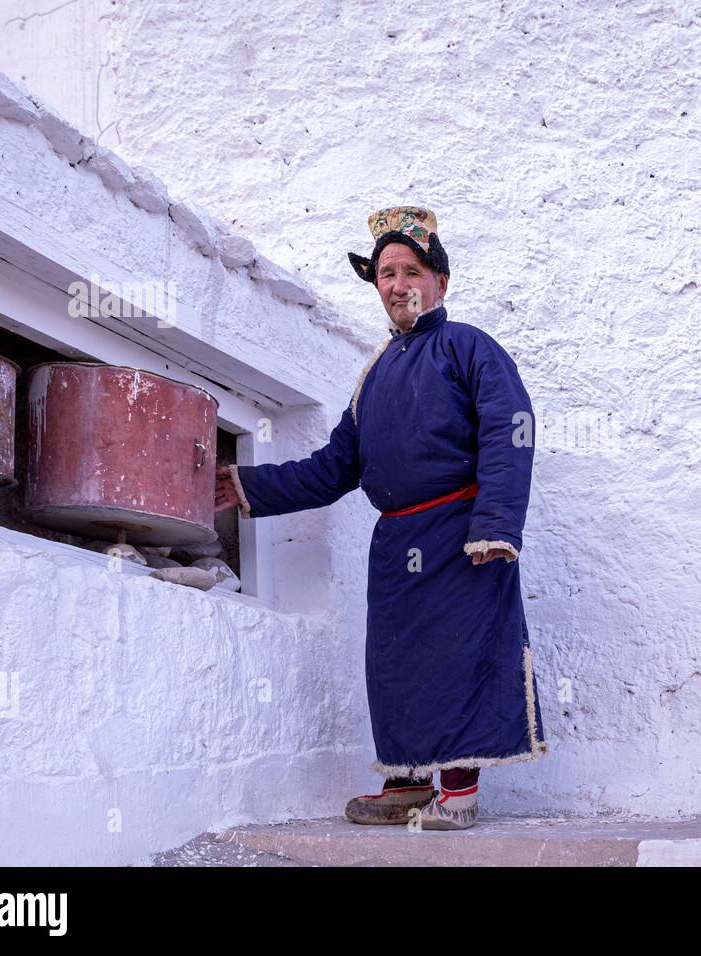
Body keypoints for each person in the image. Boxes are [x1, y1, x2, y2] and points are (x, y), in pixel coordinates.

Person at [214, 206, 547, 830]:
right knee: (395, 663)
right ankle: (407, 783)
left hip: (461, 533)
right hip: (396, 542)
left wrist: (495, 525)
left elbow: (512, 429)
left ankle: (459, 790)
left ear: (440, 282)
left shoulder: (471, 347)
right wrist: (245, 484)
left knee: (457, 657)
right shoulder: (373, 376)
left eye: (412, 270)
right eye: (386, 273)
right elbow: (334, 467)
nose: (397, 284)